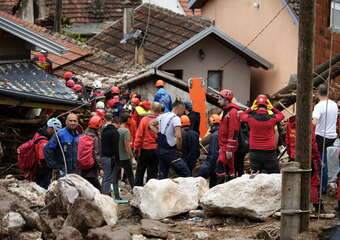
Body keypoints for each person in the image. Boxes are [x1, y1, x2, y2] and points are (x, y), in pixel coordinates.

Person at [286, 116, 323, 212]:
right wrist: (317, 158)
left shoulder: (289, 124)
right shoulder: (309, 125)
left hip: (294, 157)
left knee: (296, 181)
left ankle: (294, 204)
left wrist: (291, 155)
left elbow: (288, 141)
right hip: (307, 157)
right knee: (314, 181)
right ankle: (317, 206)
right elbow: (313, 143)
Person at [240, 94, 284, 174]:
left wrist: (251, 108)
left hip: (254, 151)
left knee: (255, 174)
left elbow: (242, 115)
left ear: (256, 105)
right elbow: (281, 116)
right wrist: (272, 108)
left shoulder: (251, 118)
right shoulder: (272, 118)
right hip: (269, 151)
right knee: (274, 175)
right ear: (267, 105)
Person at [150, 100, 191, 179]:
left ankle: (161, 190)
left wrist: (159, 133)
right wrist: (179, 149)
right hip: (169, 151)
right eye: (183, 111)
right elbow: (178, 136)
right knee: (186, 172)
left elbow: (151, 124)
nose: (183, 113)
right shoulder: (176, 118)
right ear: (178, 108)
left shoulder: (163, 115)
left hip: (160, 149)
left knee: (163, 174)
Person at [312, 84, 338, 194]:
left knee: (319, 162)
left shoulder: (319, 106)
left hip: (321, 137)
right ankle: (322, 185)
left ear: (318, 94)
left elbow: (314, 122)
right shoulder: (334, 105)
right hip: (332, 136)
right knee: (324, 161)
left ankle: (320, 188)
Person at [134, 102, 163, 186]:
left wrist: (136, 147)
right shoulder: (162, 120)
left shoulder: (145, 120)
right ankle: (150, 188)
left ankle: (137, 188)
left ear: (151, 109)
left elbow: (139, 135)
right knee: (153, 171)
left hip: (145, 148)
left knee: (140, 170)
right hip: (157, 149)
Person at [216, 89, 240, 183]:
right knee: (230, 169)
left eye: (220, 99)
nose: (218, 101)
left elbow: (234, 131)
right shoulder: (227, 111)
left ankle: (219, 188)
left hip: (227, 146)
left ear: (226, 100)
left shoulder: (232, 112)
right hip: (224, 145)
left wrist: (229, 148)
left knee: (220, 166)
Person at [34, 118, 62, 189]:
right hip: (43, 169)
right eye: (55, 131)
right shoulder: (44, 141)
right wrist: (54, 165)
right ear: (51, 128)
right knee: (44, 188)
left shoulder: (38, 134)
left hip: (39, 167)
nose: (56, 134)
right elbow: (43, 158)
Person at [113, 114, 135, 200]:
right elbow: (127, 145)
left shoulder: (116, 130)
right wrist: (132, 156)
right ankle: (135, 192)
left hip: (116, 156)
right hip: (125, 157)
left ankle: (117, 196)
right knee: (130, 175)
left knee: (115, 176)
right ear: (127, 121)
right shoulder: (125, 131)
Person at [194, 114, 220, 188]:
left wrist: (207, 166)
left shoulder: (214, 136)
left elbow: (213, 154)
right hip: (218, 163)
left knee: (197, 177)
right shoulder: (219, 133)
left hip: (212, 163)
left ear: (211, 124)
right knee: (214, 183)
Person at [79, 116, 102, 191]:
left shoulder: (82, 135)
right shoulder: (95, 137)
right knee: (97, 189)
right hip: (92, 167)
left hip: (82, 165)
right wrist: (100, 167)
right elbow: (96, 153)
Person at [100, 113, 120, 195]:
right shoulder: (115, 132)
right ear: (117, 124)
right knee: (108, 177)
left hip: (103, 156)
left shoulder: (103, 131)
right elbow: (116, 147)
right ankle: (105, 194)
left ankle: (105, 191)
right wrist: (118, 158)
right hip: (110, 157)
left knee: (105, 176)